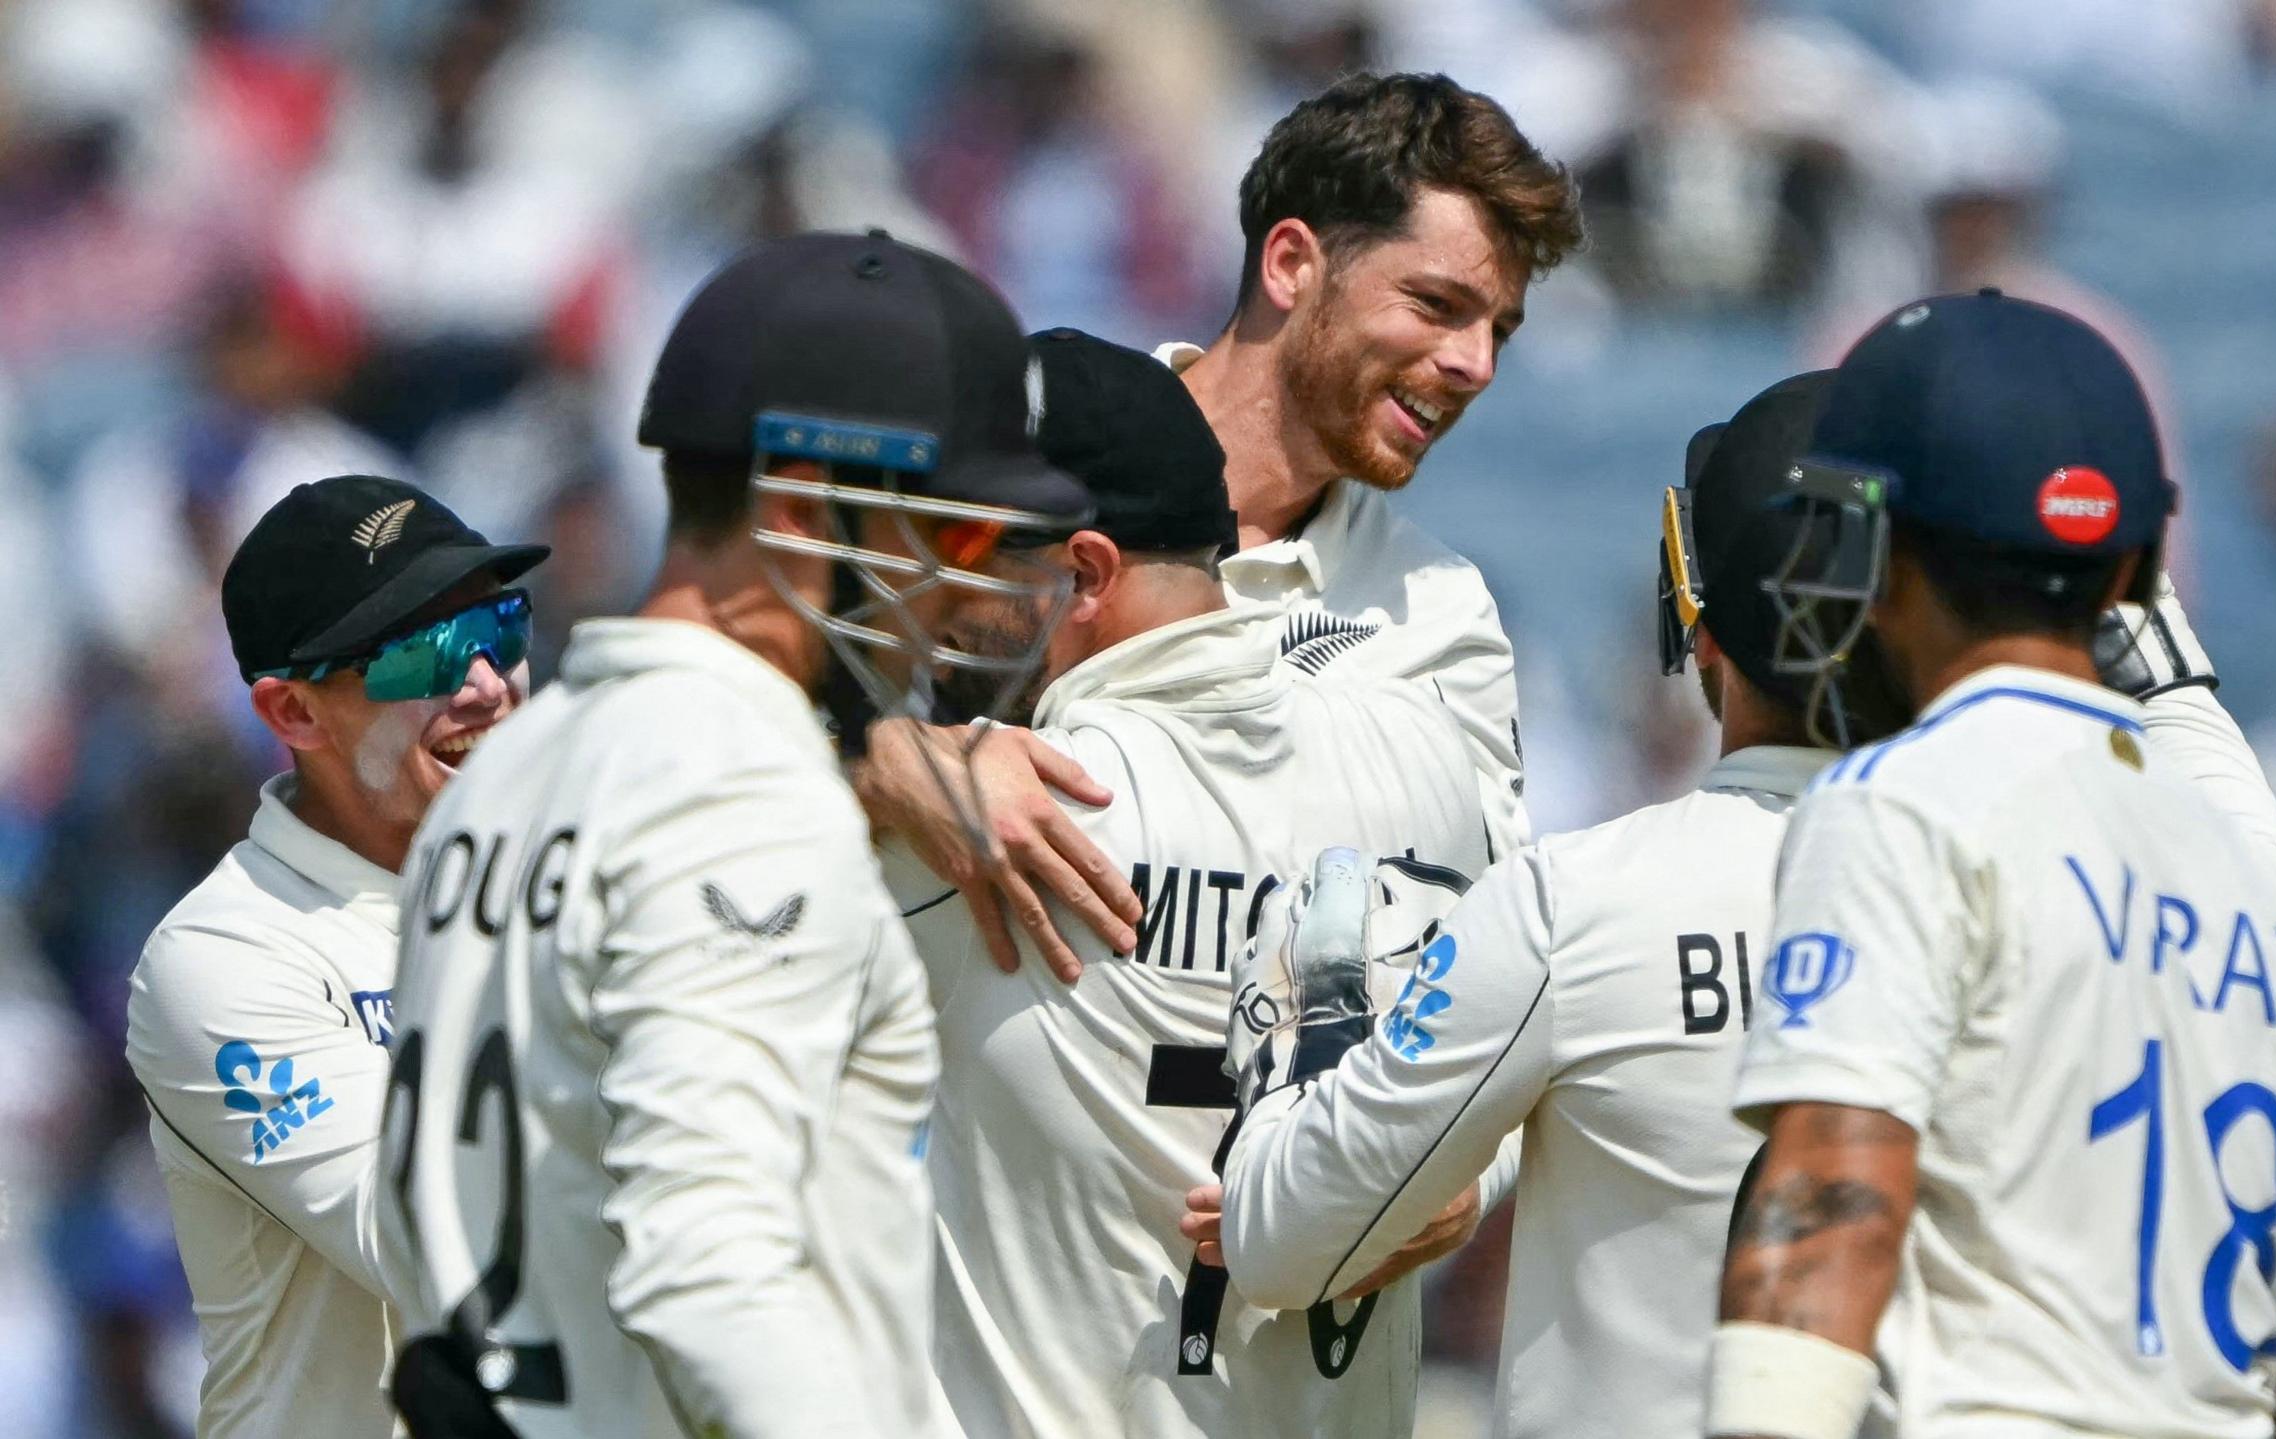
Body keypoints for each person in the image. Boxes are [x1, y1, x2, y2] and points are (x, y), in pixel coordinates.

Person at [375, 232, 1087, 1439]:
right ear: (806, 508)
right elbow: (709, 1274)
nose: (971, 596)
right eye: (956, 536)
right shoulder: (740, 782)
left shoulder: (515, 768)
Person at [1706, 292, 2276, 1439]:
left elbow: (1835, 1208)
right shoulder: (2272, 898)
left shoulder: (1901, 803)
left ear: (1869, 547)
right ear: (2132, 566)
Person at [1206, 371, 1901, 1437]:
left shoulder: (1573, 903)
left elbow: (1279, 1239)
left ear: (1693, 621)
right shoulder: (2058, 913)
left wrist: (1319, 1020)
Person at [882, 328, 1494, 1438]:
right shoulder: (1422, 755)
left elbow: (652, 803)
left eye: (962, 546)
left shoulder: (988, 816)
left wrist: (871, 756)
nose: (930, 594)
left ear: (1084, 575)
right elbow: (1507, 1064)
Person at [858, 70, 1584, 982]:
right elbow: (765, 708)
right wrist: (884, 756)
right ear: (1289, 264)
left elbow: (1467, 954)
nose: (1476, 364)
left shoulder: (1443, 617)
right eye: (1437, 306)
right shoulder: (1020, 451)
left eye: (1499, 332)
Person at [123, 473, 546, 1438]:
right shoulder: (223, 954)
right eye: (426, 653)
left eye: (501, 628)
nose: (486, 684)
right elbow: (438, 1249)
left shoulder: (574, 869)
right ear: (295, 714)